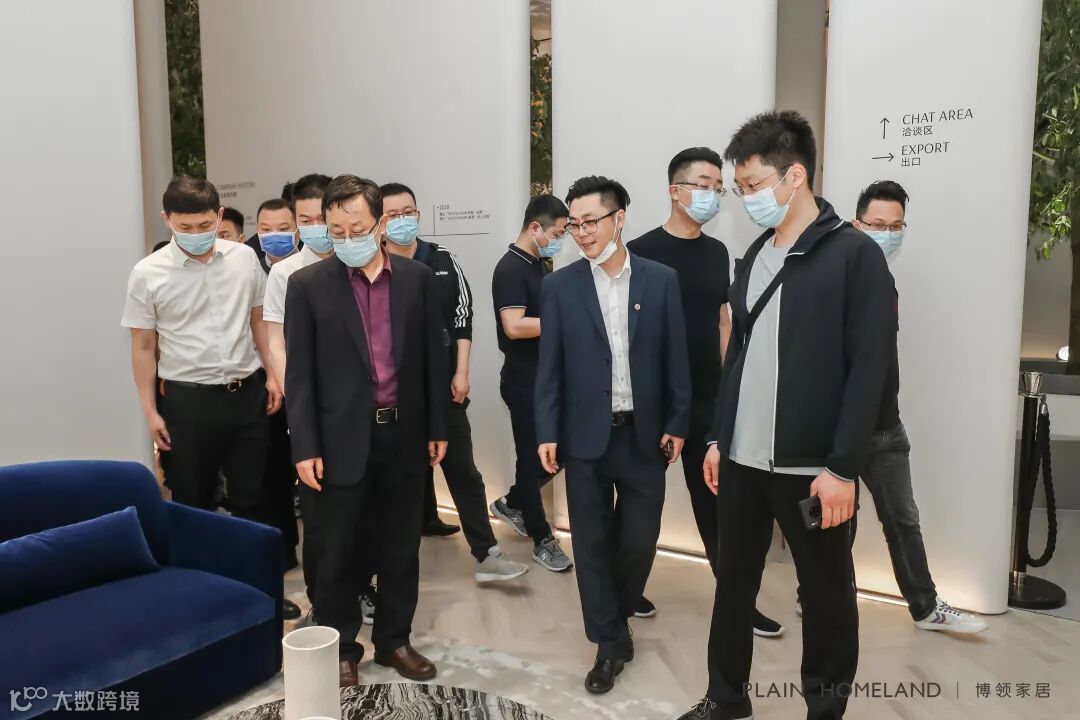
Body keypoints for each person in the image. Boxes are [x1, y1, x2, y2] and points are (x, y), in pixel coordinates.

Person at [679, 111, 894, 720]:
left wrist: (843, 468)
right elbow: (737, 357)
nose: (745, 197)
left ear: (794, 176)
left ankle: (824, 711)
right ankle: (726, 698)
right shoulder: (754, 255)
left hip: (812, 469)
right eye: (740, 187)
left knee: (826, 597)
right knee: (733, 585)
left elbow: (869, 372)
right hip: (742, 462)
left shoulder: (854, 256)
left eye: (752, 184)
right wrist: (719, 437)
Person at [284, 174, 448, 688]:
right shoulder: (307, 286)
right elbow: (299, 376)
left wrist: (438, 425)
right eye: (336, 231)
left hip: (403, 434)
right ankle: (341, 649)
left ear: (380, 224)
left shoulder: (418, 279)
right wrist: (305, 444)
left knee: (401, 545)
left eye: (356, 229)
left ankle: (395, 641)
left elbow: (433, 361)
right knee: (337, 550)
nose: (347, 239)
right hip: (338, 441)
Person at [537, 176, 691, 694]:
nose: (581, 233)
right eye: (573, 225)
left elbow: (676, 358)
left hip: (643, 436)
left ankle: (618, 614)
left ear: (619, 218)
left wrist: (677, 422)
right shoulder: (559, 287)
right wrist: (547, 430)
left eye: (591, 222)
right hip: (584, 437)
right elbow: (550, 367)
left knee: (638, 541)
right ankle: (607, 642)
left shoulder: (660, 280)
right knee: (591, 542)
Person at [628, 147, 784, 638]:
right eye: (703, 185)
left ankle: (739, 604)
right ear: (675, 191)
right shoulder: (639, 251)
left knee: (718, 505)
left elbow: (723, 321)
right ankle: (624, 590)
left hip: (706, 399)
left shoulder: (717, 253)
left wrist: (729, 384)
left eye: (719, 188)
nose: (713, 195)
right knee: (639, 506)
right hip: (653, 400)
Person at [836, 180, 984, 633]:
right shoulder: (837, 279)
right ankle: (820, 599)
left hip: (886, 427)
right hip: (840, 427)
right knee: (835, 523)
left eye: (896, 226)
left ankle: (925, 607)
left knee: (902, 519)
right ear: (857, 224)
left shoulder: (885, 279)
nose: (887, 233)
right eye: (878, 224)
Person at [380, 181, 530, 584]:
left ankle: (487, 553)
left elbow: (463, 317)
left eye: (408, 212)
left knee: (463, 472)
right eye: (392, 214)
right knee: (400, 481)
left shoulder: (442, 259)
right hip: (395, 396)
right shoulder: (374, 267)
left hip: (443, 388)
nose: (402, 220)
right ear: (379, 221)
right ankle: (393, 567)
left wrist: (461, 372)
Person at [122, 175, 281, 528]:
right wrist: (150, 411)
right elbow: (143, 346)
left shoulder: (244, 258)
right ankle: (199, 565)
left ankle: (250, 563)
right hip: (188, 402)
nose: (196, 233)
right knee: (192, 502)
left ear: (219, 215)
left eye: (205, 225)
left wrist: (272, 374)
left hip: (247, 395)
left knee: (254, 498)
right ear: (167, 220)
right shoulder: (147, 273)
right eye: (186, 227)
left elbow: (259, 320)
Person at [489, 195, 573, 573]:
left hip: (544, 378)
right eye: (558, 233)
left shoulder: (537, 264)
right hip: (523, 379)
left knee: (562, 449)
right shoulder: (510, 268)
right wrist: (566, 321)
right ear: (535, 227)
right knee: (533, 456)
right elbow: (514, 326)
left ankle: (513, 502)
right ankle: (542, 539)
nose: (560, 240)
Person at [250, 195, 304, 619]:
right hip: (264, 388)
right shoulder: (248, 267)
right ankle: (278, 554)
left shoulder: (309, 267)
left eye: (284, 228)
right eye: (266, 229)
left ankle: (295, 548)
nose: (275, 237)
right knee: (269, 475)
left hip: (305, 386)